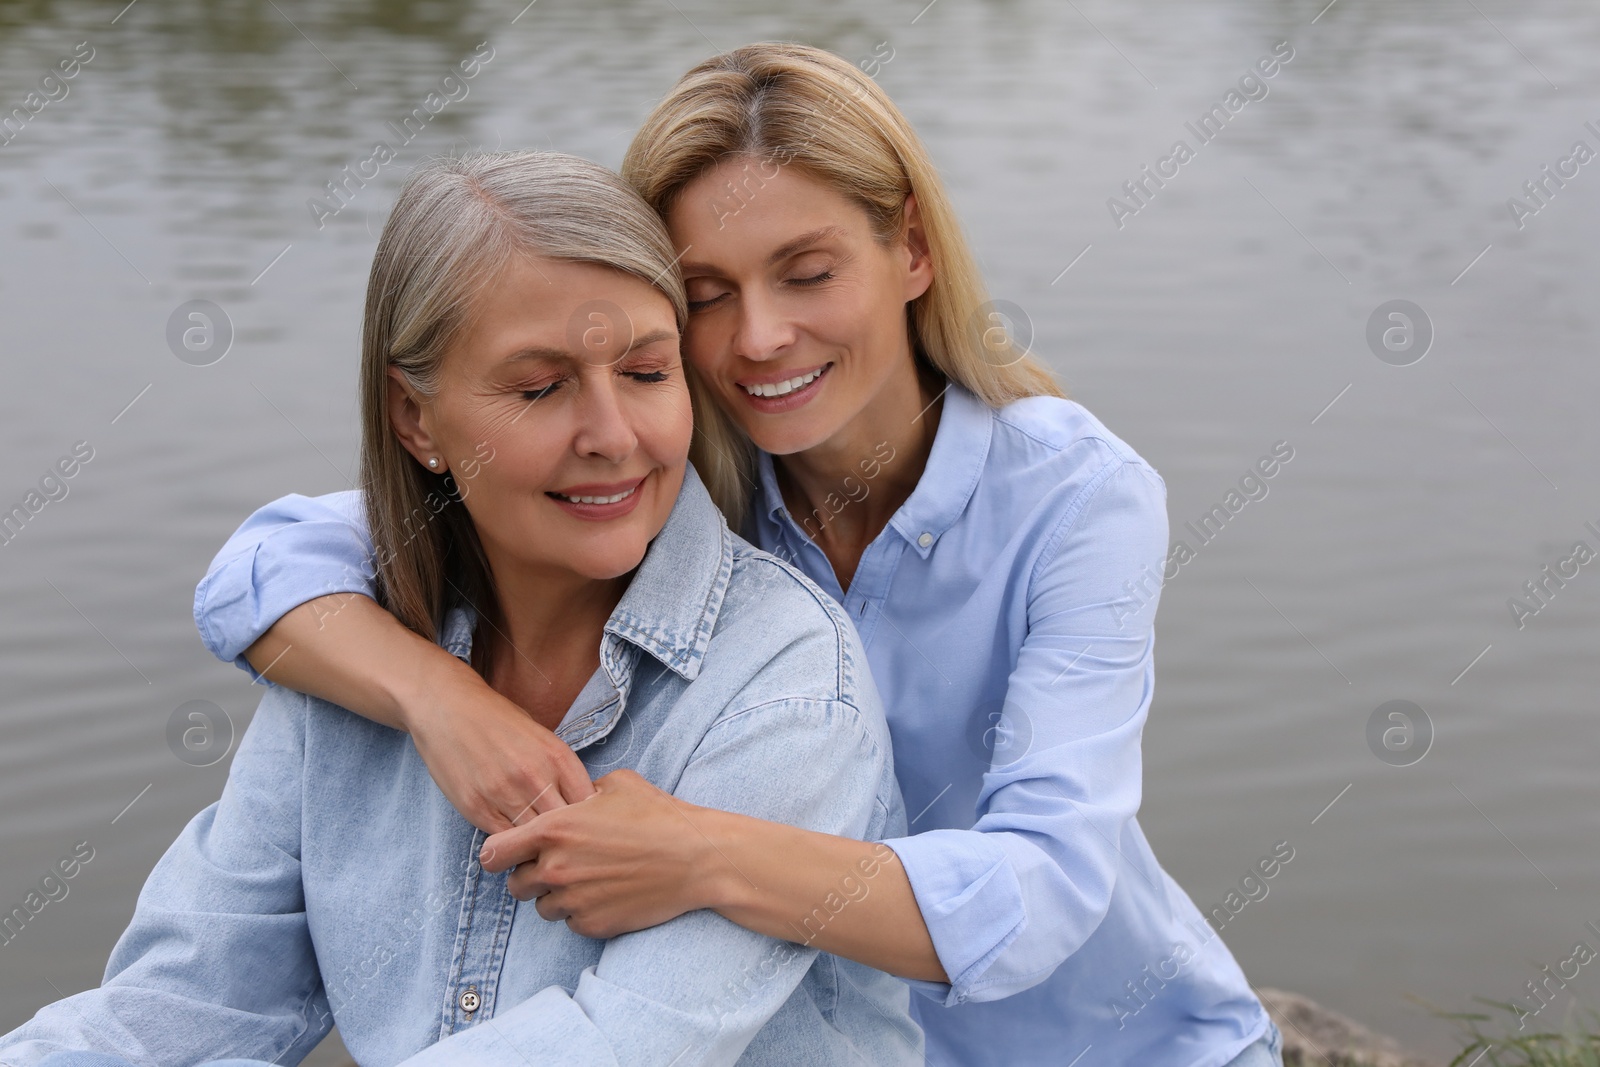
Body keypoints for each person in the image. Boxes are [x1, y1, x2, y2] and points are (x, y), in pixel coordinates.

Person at [185, 44, 1284, 1067]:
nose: (757, 338)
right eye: (706, 296)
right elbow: (272, 560)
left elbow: (1043, 886)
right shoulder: (663, 482)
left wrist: (704, 852)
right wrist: (437, 697)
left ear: (909, 247)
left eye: (805, 273)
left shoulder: (1078, 498)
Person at [0, 151, 921, 1067]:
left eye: (647, 373)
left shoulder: (787, 685)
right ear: (415, 419)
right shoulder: (350, 653)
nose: (612, 437)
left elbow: (616, 1048)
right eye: (539, 388)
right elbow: (180, 1004)